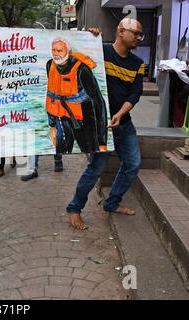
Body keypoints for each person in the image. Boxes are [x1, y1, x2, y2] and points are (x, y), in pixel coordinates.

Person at [66, 18, 145, 230]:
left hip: (123, 124)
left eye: (140, 34)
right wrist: (86, 36)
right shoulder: (100, 52)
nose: (138, 37)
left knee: (132, 164)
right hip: (100, 125)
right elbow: (71, 55)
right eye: (135, 33)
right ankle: (74, 208)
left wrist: (120, 114)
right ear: (121, 31)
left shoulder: (138, 64)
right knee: (95, 169)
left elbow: (135, 94)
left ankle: (111, 203)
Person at [46, 38, 108, 154]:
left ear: (68, 52)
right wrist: (52, 125)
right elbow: (52, 96)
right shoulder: (50, 65)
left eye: (59, 51)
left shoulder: (82, 70)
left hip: (84, 116)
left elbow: (98, 102)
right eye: (53, 50)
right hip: (62, 115)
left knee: (90, 153)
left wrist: (102, 141)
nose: (55, 54)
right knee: (62, 151)